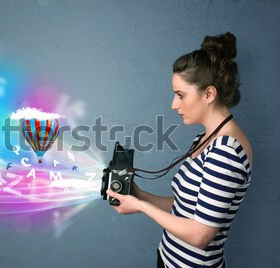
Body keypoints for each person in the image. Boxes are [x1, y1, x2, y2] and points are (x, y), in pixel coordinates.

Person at [106, 32, 252, 268]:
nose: (174, 105)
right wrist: (138, 194)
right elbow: (186, 208)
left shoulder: (226, 150)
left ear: (209, 94)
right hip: (169, 259)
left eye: (180, 95)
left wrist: (141, 207)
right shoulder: (205, 139)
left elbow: (200, 235)